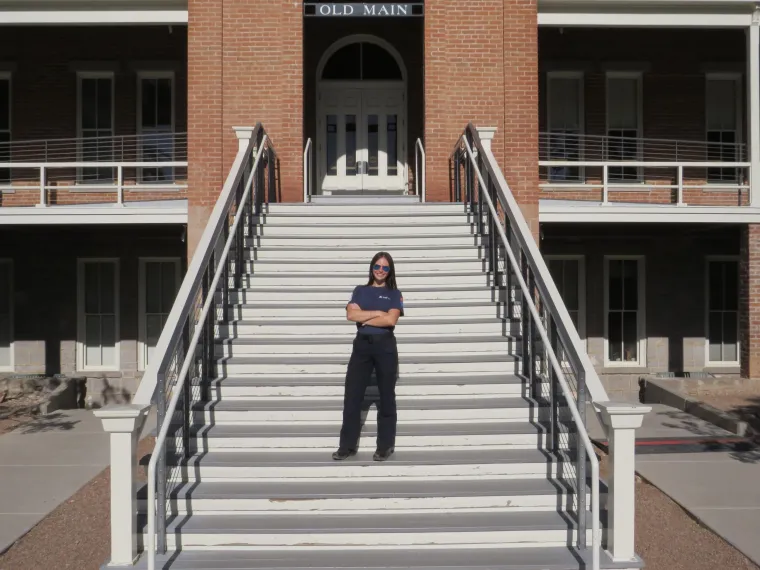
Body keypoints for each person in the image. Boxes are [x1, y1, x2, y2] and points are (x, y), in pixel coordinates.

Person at [332, 251, 403, 462]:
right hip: (362, 347)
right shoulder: (360, 290)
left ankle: (385, 446)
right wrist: (379, 314)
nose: (380, 271)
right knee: (352, 395)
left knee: (386, 397)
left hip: (385, 347)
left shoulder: (394, 293)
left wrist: (367, 316)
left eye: (385, 268)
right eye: (377, 266)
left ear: (390, 271)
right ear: (371, 268)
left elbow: (391, 322)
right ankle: (347, 446)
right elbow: (351, 315)